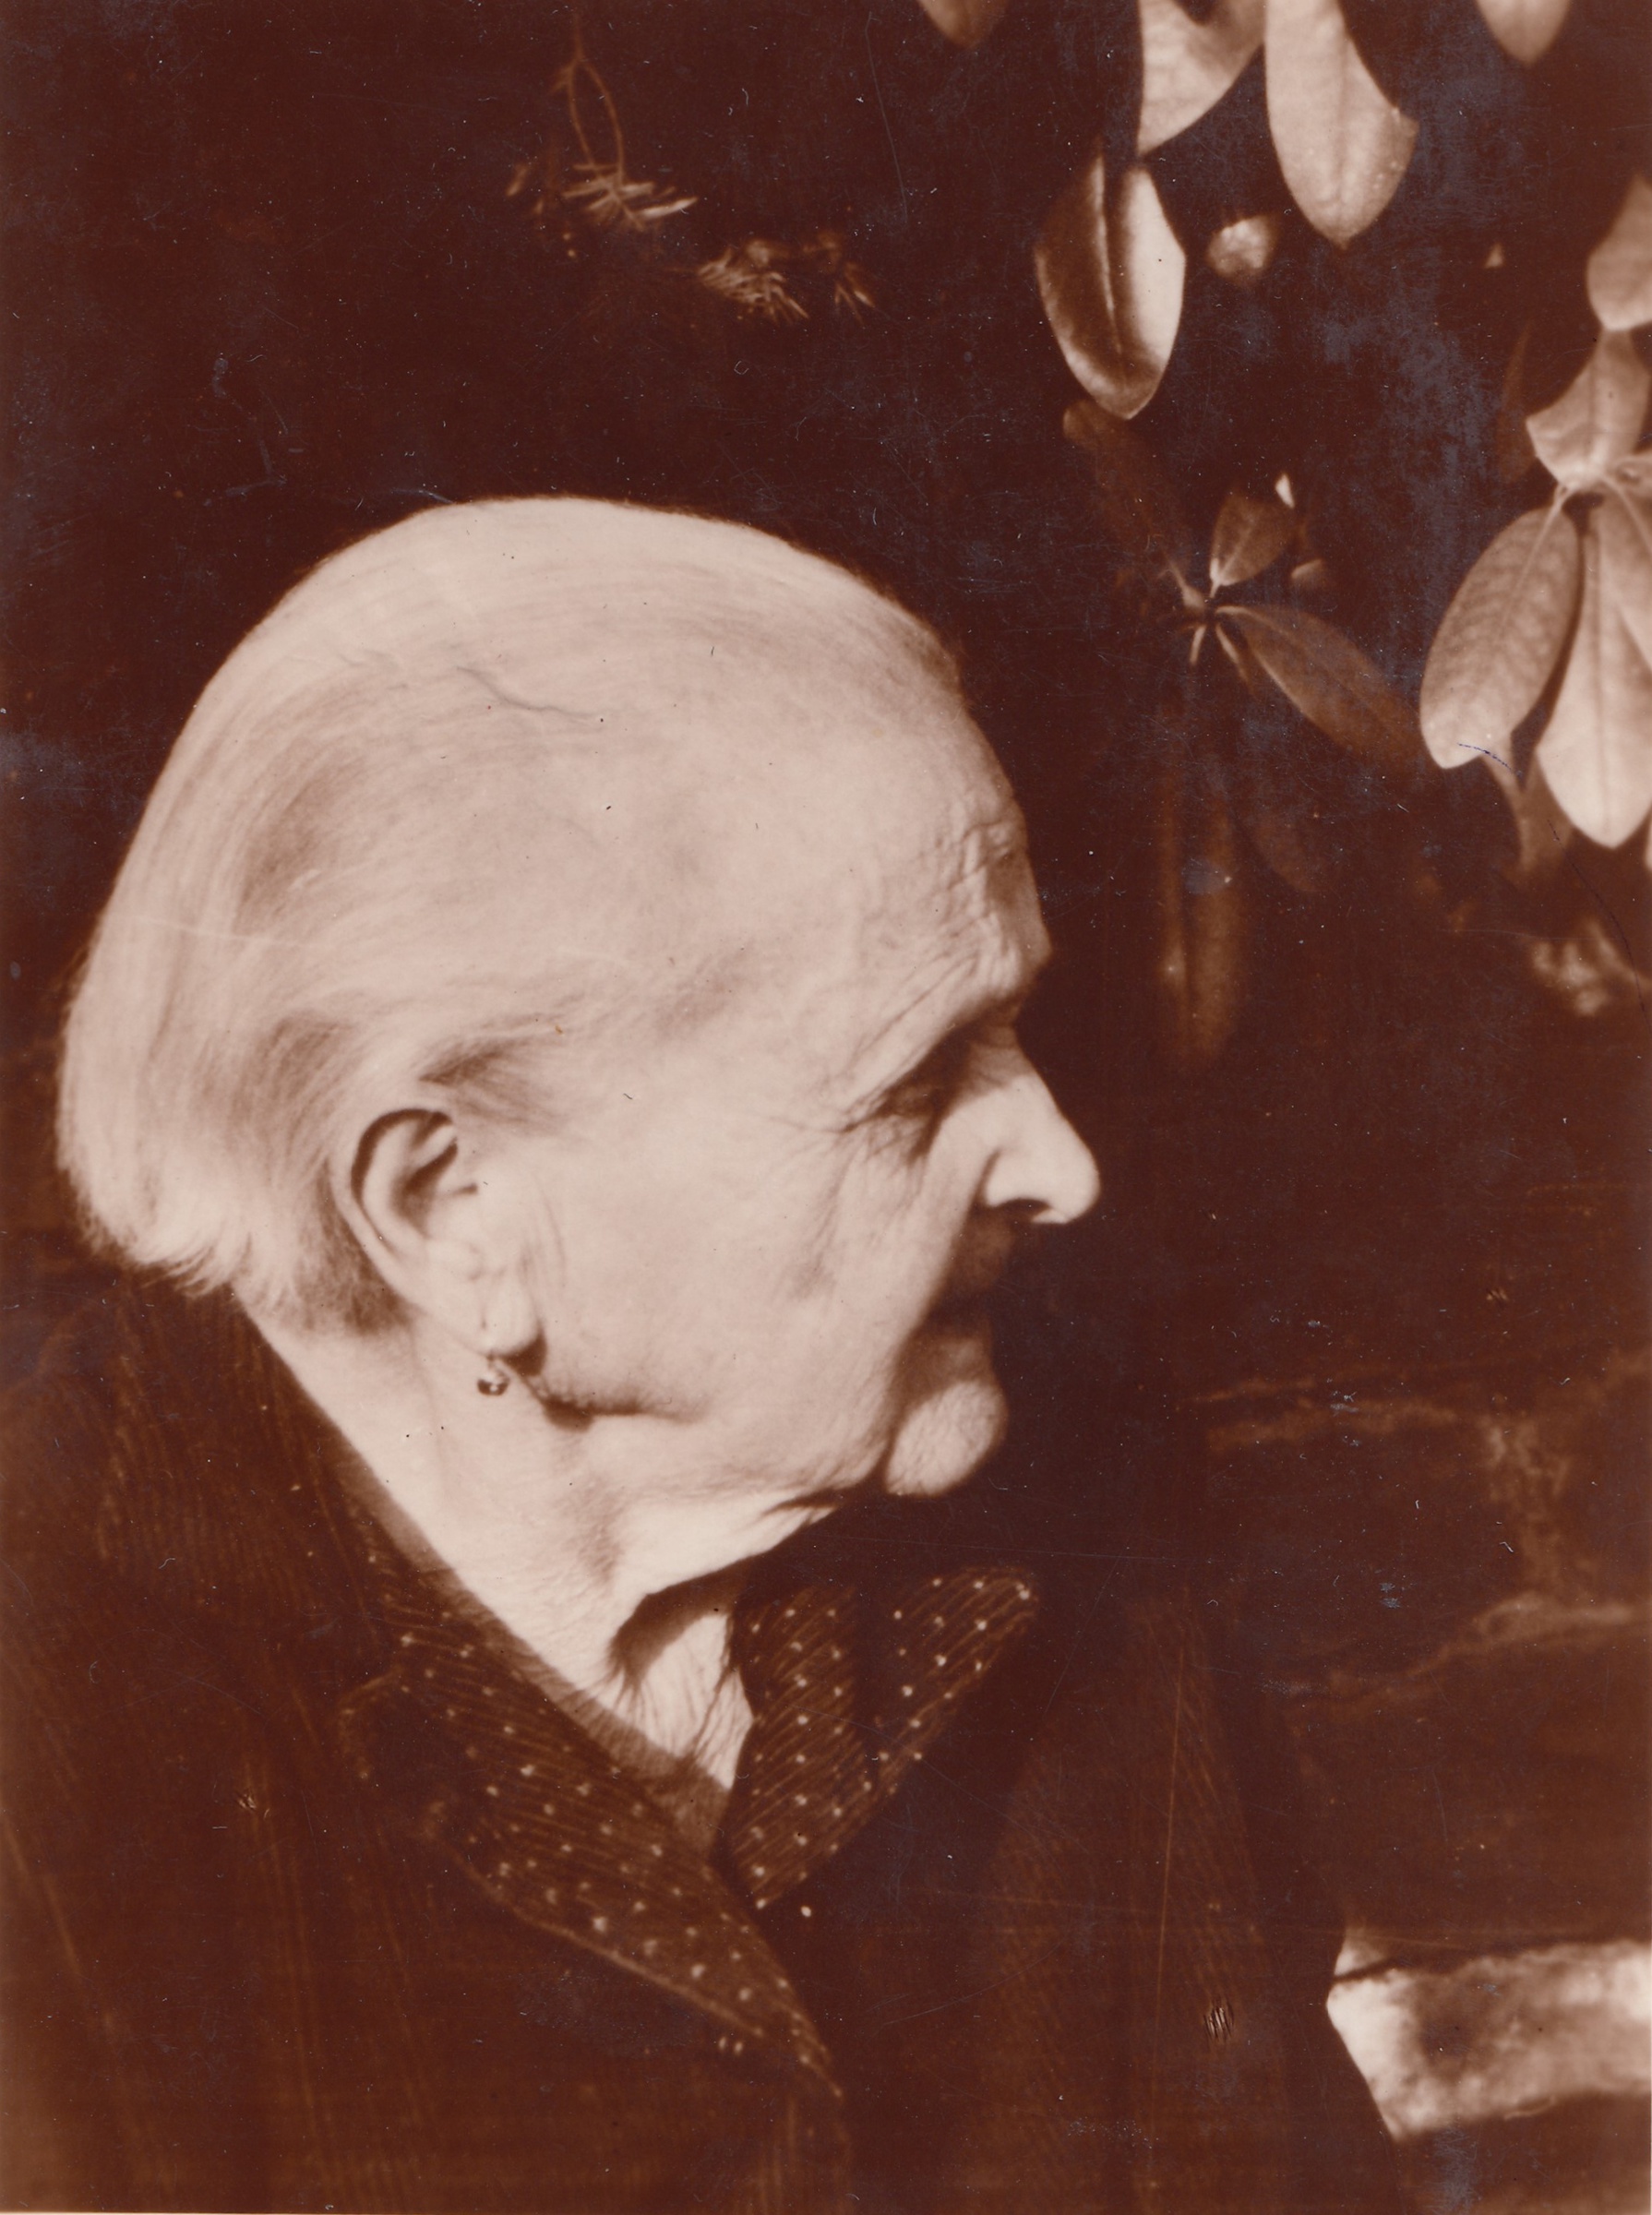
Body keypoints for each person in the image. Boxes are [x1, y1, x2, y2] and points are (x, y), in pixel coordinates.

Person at [1, 498, 1397, 2213]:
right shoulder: (52, 1782)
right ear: (453, 1212)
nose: (1059, 1163)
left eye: (1015, 1026)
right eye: (914, 1079)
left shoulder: (1073, 1503)